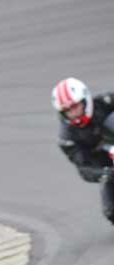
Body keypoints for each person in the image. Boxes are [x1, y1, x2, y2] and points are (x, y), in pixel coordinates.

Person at [51, 77, 114, 222]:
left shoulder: (105, 101)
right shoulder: (67, 139)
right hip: (107, 163)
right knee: (111, 211)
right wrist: (105, 173)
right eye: (67, 110)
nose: (73, 113)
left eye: (75, 106)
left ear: (85, 100)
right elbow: (83, 168)